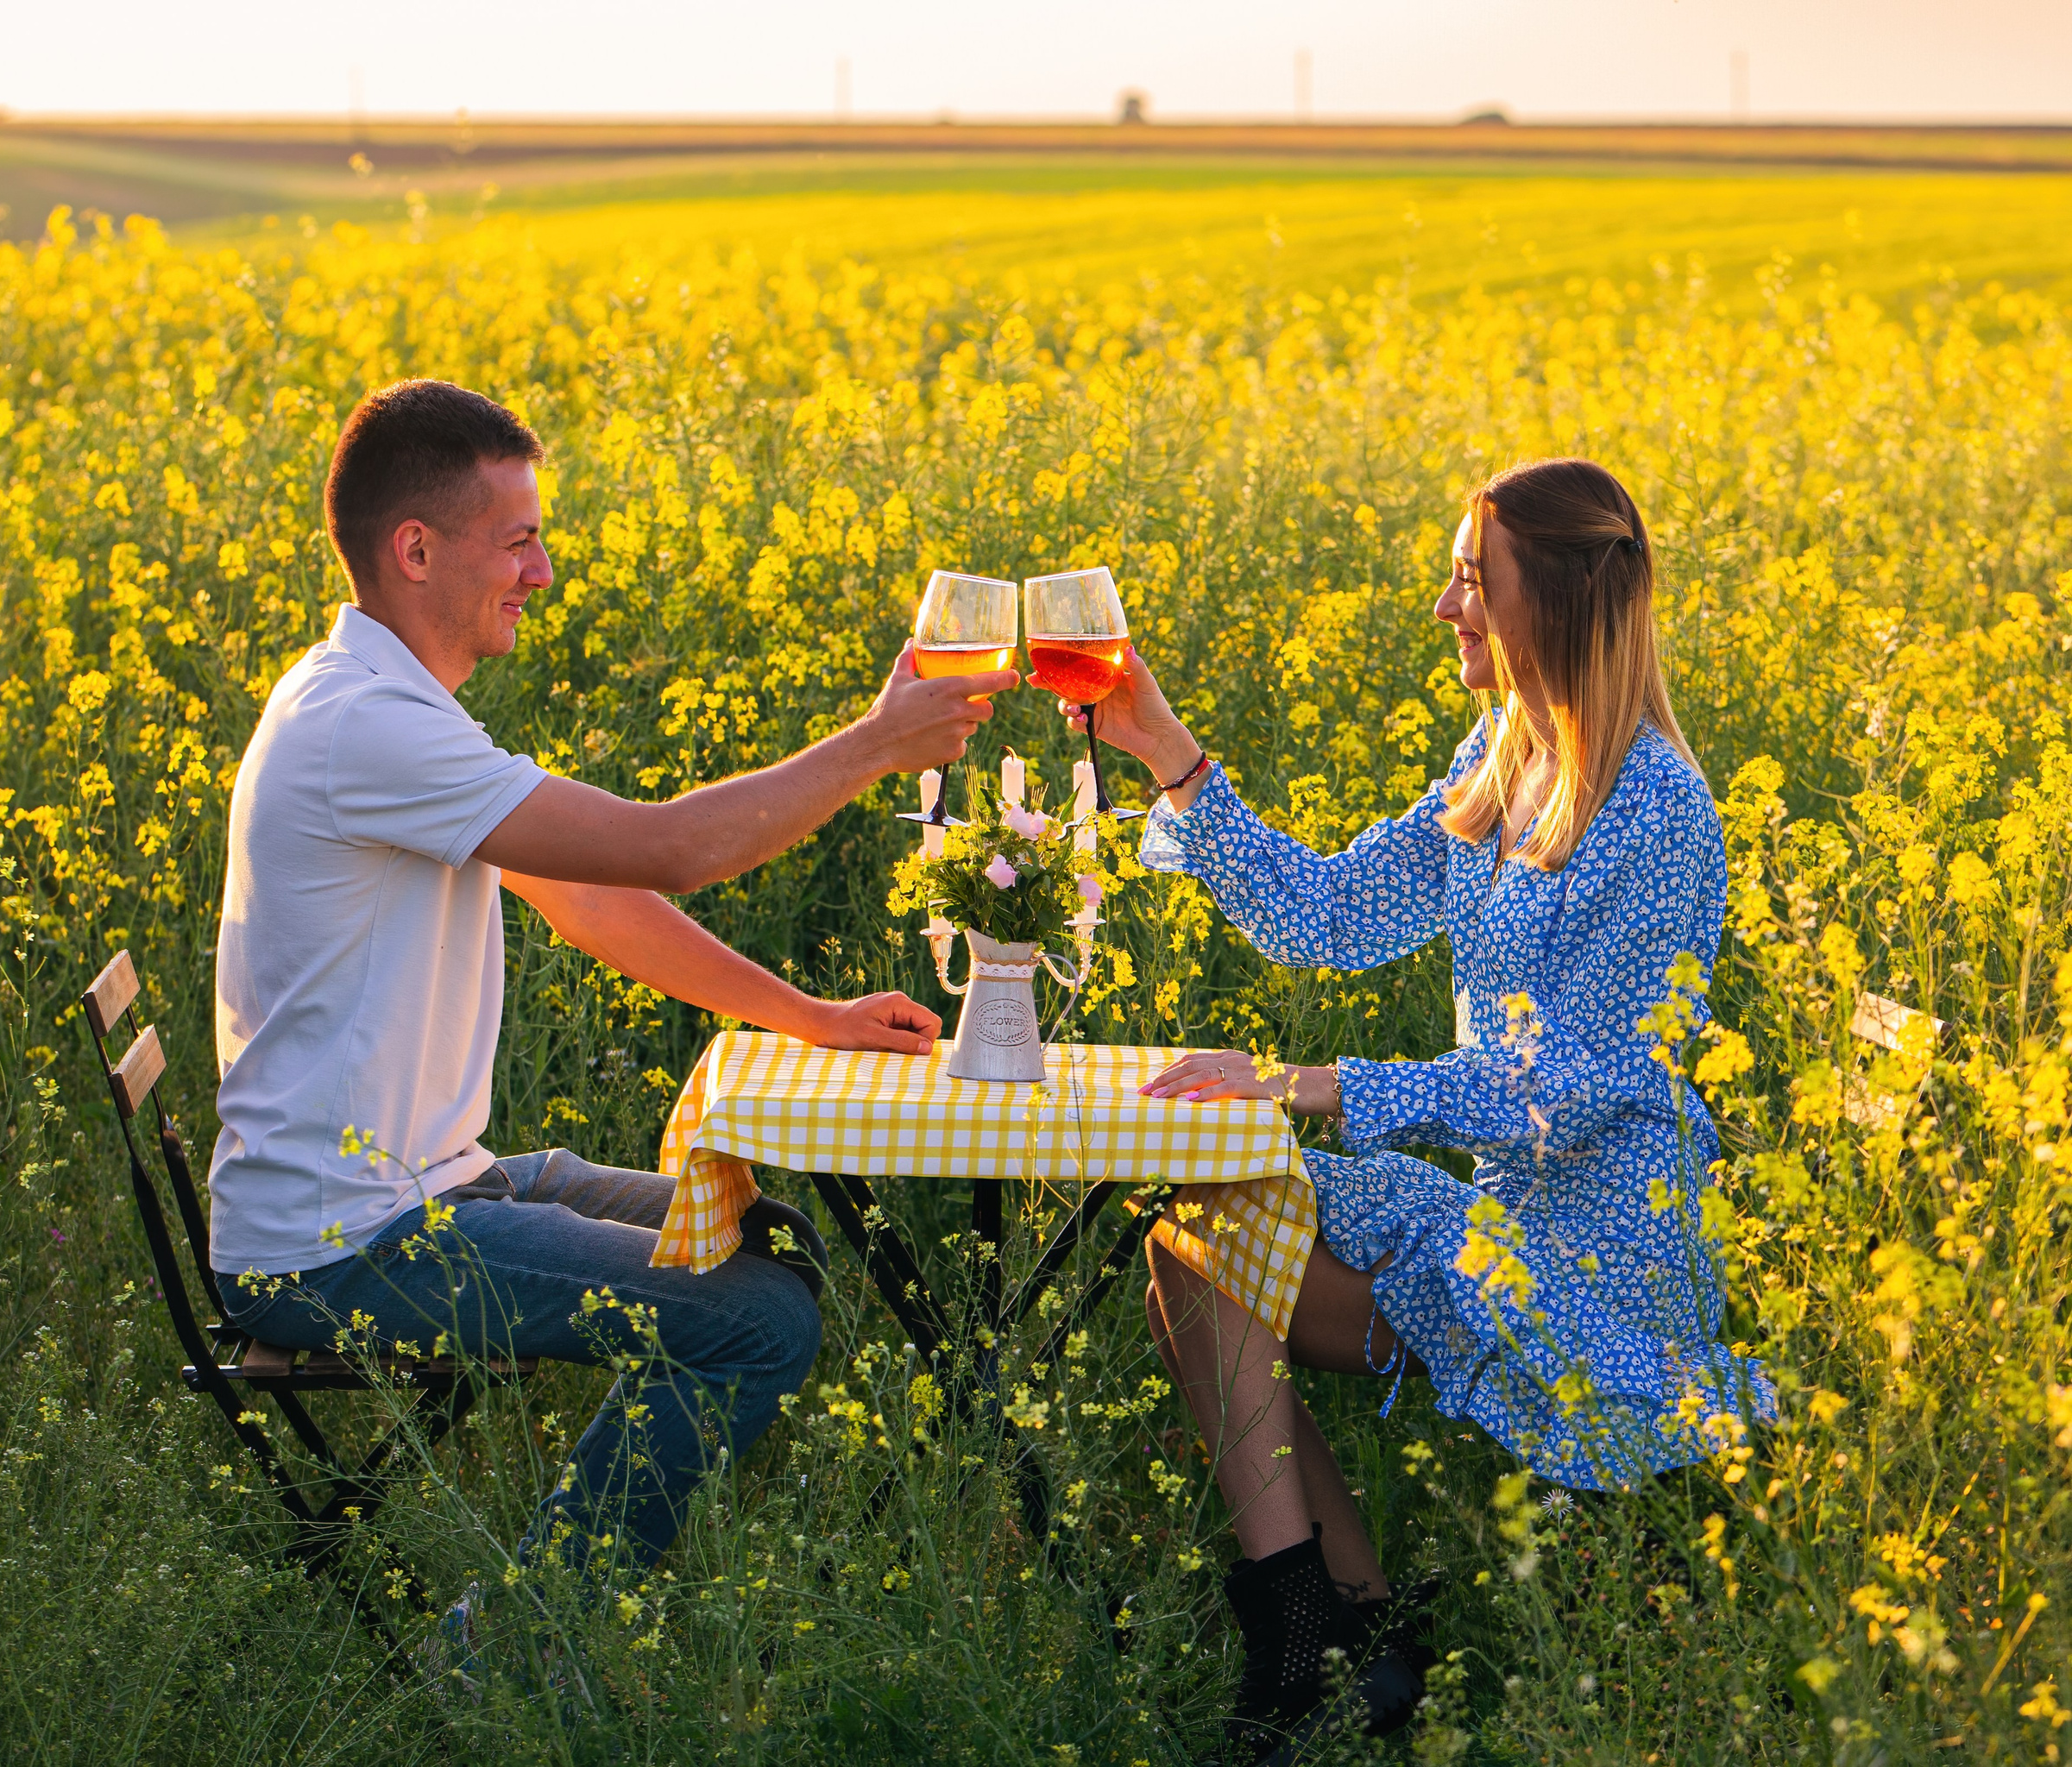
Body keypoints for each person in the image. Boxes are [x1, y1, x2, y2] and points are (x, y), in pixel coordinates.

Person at [208, 380, 1016, 1619]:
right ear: (414, 550)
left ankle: (562, 1609)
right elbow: (666, 849)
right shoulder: (366, 729)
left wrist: (806, 1016)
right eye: (518, 539)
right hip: (345, 1246)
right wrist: (874, 743)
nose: (541, 570)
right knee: (753, 1321)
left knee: (775, 1240)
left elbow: (590, 895)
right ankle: (522, 1648)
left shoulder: (383, 709)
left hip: (426, 1183)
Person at [1037, 458, 1777, 1759]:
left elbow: (1582, 1092)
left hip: (1598, 1262)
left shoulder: (1658, 812)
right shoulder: (1504, 762)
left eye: (1470, 579)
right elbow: (1330, 914)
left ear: (1550, 598)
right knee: (1192, 1240)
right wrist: (1164, 747)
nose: (1445, 607)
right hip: (1497, 1220)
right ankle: (1343, 1629)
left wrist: (1314, 1086)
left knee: (1217, 1253)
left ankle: (1320, 1648)